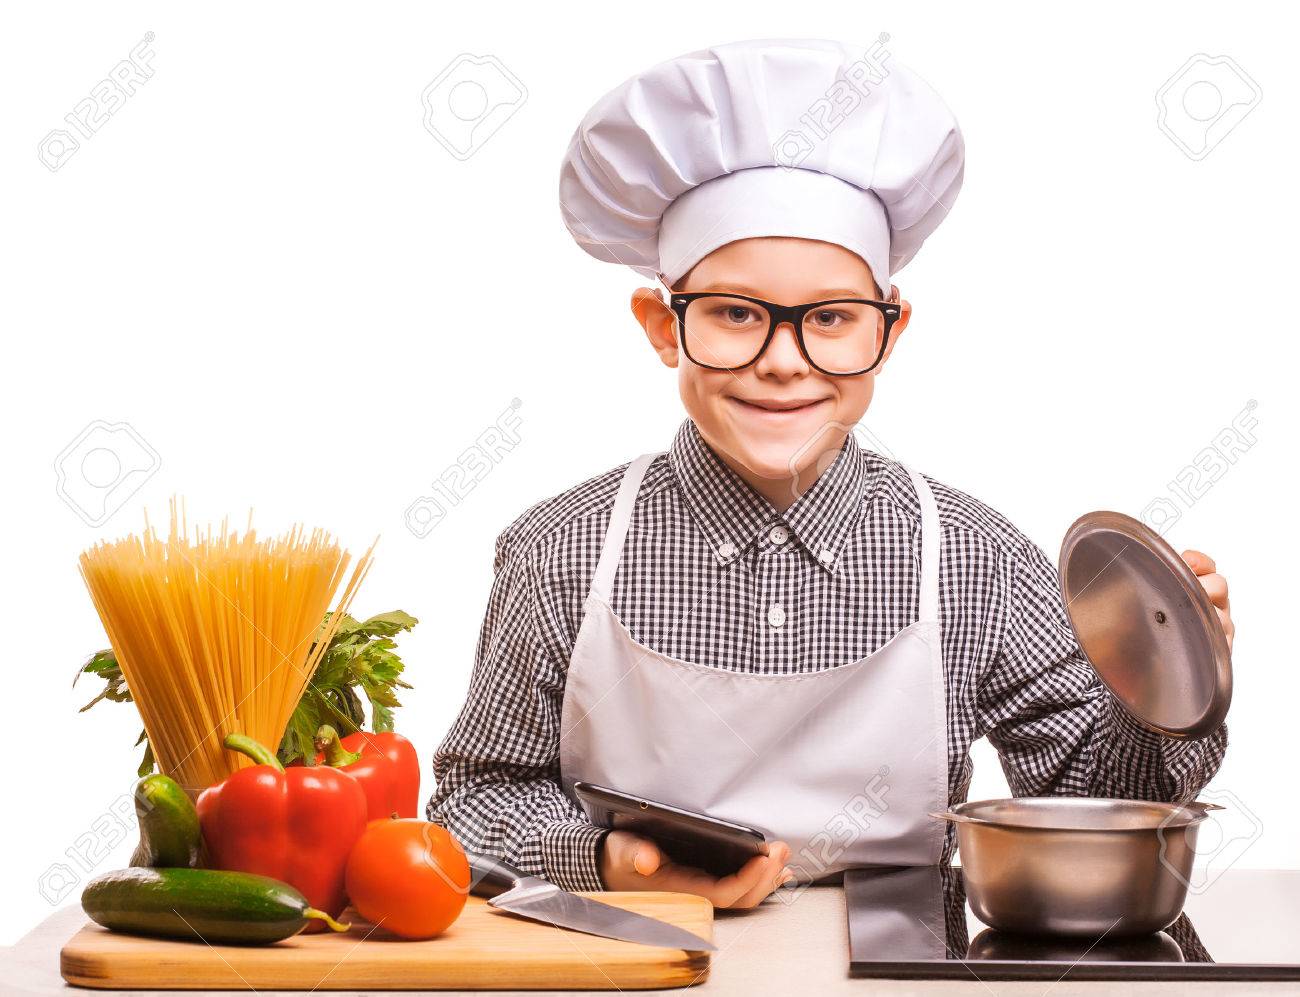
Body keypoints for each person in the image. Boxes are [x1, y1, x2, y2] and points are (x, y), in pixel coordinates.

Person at [428, 38, 1233, 909]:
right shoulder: (562, 551)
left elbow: (1091, 802)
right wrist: (607, 860)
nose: (784, 361)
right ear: (662, 325)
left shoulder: (974, 557)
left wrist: (1167, 688)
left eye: (832, 318)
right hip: (645, 954)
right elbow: (472, 806)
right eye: (735, 313)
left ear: (890, 330)